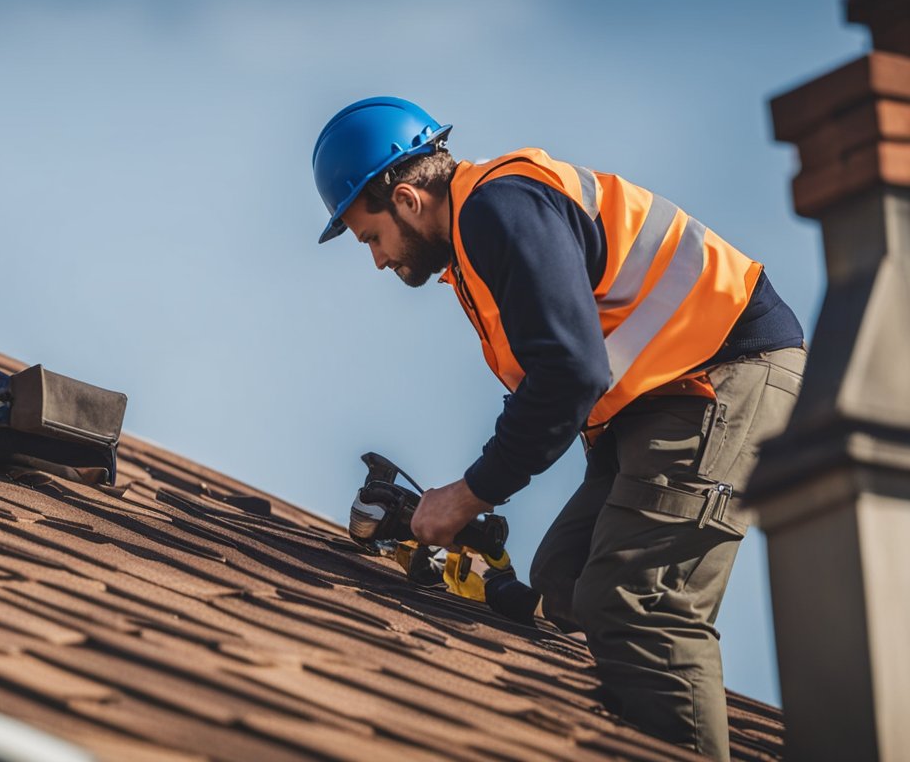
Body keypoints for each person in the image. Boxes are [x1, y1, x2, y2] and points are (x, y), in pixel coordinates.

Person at [312, 97, 805, 759]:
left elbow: (569, 374)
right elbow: (573, 373)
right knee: (564, 583)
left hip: (721, 377)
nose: (376, 259)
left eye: (371, 237)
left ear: (406, 199)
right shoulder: (477, 231)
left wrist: (468, 495)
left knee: (636, 604)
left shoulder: (498, 209)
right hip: (656, 399)